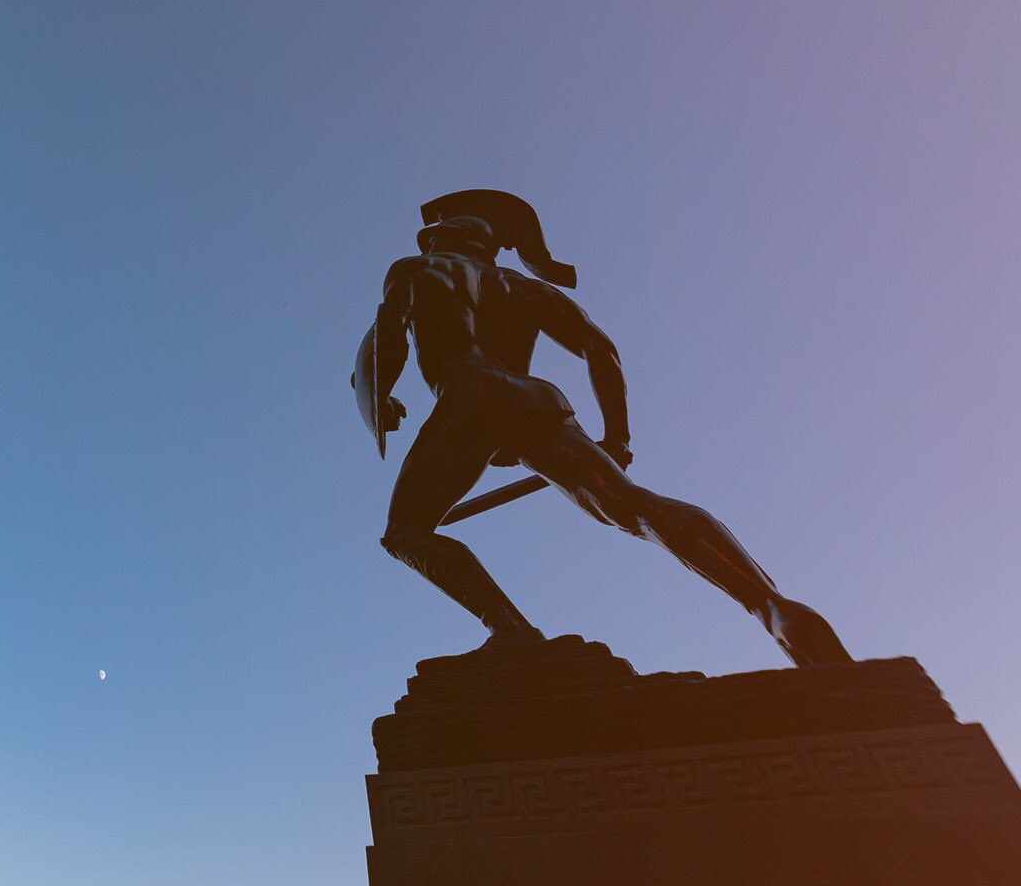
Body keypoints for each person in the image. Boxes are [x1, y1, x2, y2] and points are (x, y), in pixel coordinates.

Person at [354, 189, 851, 665]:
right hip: (538, 402)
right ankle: (774, 607)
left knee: (405, 533)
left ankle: (511, 630)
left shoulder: (419, 268)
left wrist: (384, 394)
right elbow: (599, 348)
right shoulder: (525, 288)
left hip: (468, 398)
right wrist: (618, 437)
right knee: (633, 508)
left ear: (443, 240)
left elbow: (391, 337)